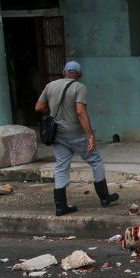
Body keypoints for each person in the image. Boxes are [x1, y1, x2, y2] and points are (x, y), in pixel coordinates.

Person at [35, 61, 118, 215]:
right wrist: (90, 136)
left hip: (57, 135)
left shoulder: (50, 85)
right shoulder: (79, 87)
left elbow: (38, 107)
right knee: (96, 161)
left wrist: (51, 110)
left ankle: (60, 206)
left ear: (64, 72)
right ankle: (104, 197)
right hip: (75, 134)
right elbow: (80, 112)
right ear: (79, 74)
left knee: (61, 167)